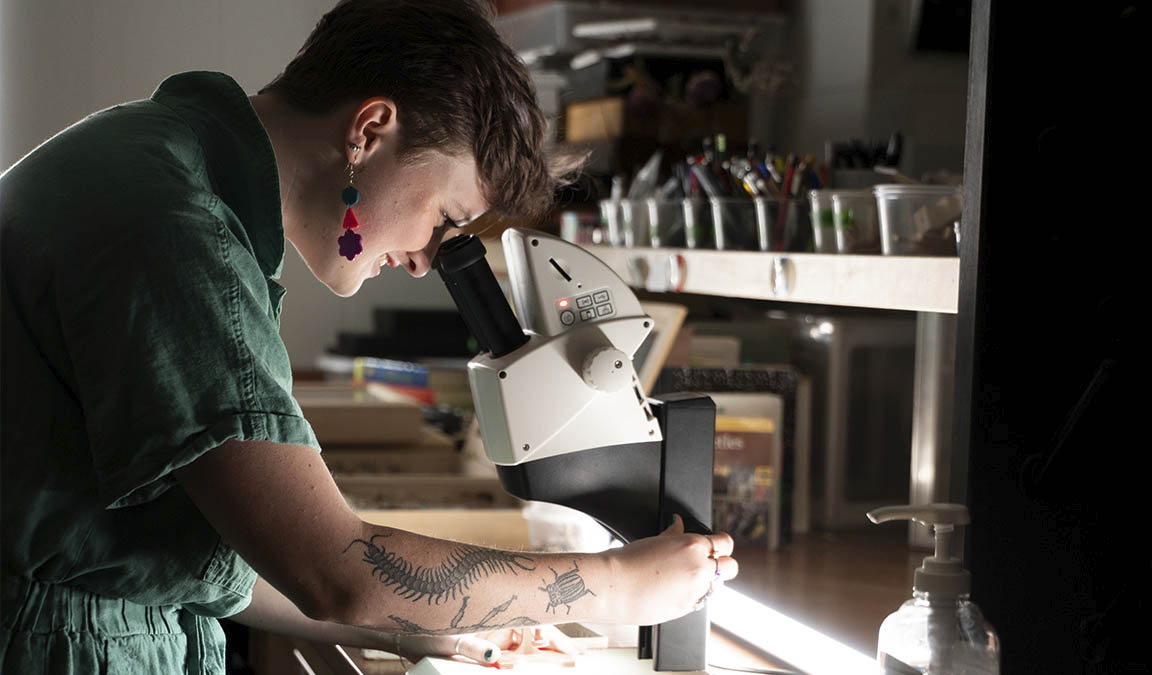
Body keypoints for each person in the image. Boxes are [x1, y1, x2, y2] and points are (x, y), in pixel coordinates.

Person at [0, 0, 738, 672]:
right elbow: (336, 569)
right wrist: (616, 586)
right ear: (369, 129)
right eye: (445, 217)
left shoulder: (164, 167)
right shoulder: (177, 229)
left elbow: (221, 561)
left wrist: (422, 624)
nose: (424, 260)